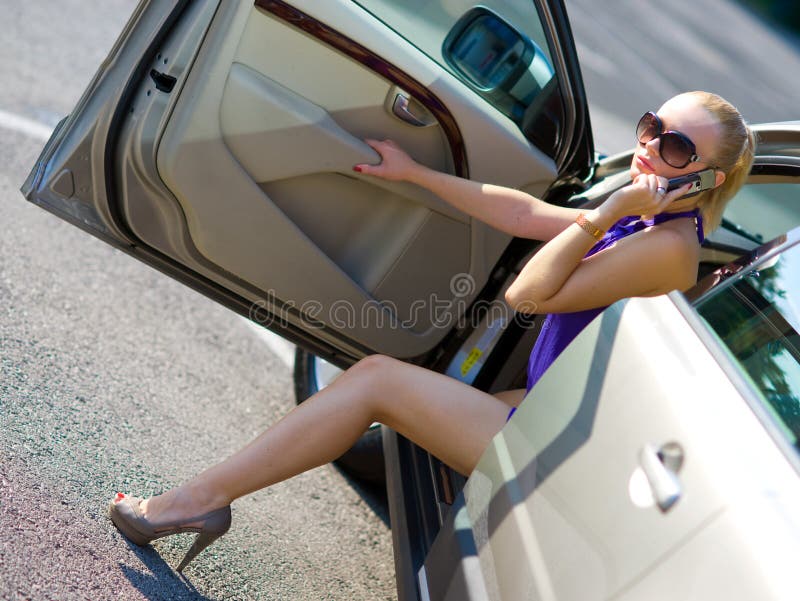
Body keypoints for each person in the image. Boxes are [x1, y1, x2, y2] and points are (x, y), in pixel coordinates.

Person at [108, 91, 755, 572]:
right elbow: (530, 214)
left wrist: (611, 206)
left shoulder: (667, 248)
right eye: (651, 126)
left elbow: (526, 293)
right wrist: (416, 175)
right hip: (538, 412)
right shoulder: (645, 220)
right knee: (379, 381)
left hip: (554, 448)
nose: (649, 146)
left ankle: (196, 500)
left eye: (675, 147)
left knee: (374, 383)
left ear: (709, 179)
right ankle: (200, 498)